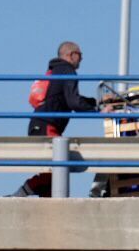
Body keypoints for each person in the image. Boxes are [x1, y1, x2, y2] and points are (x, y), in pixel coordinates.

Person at [12, 41, 101, 197]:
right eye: (80, 55)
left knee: (53, 177)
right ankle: (19, 195)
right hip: (47, 125)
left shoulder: (55, 71)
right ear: (70, 54)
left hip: (39, 124)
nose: (81, 59)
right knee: (57, 171)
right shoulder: (68, 71)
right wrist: (98, 110)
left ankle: (42, 210)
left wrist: (95, 103)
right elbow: (73, 102)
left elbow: (70, 99)